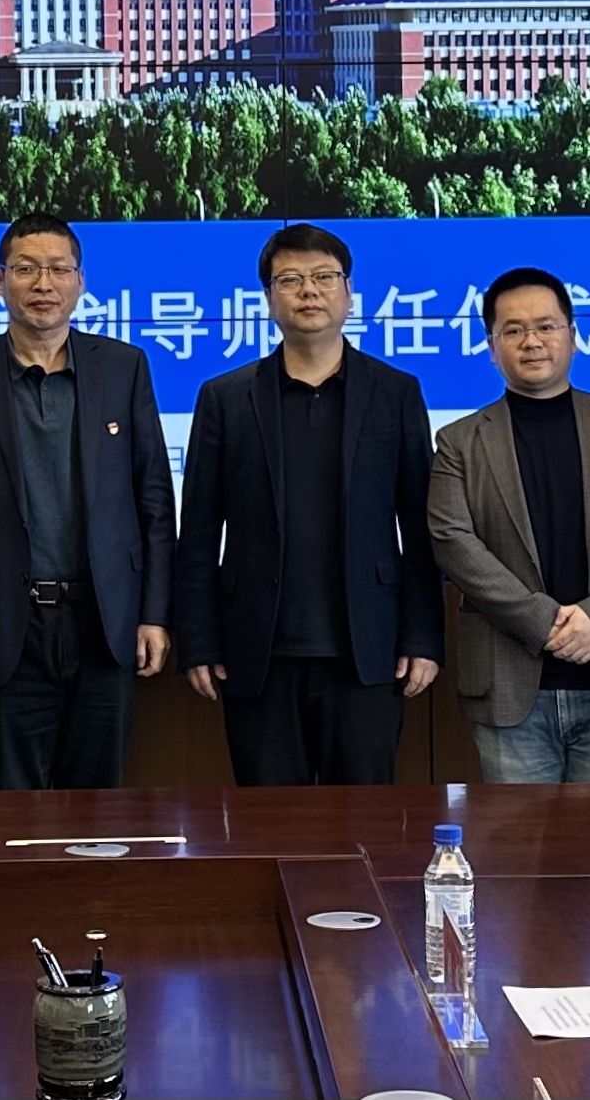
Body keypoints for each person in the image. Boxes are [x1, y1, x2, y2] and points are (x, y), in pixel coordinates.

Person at [0, 214, 178, 790]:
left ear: (80, 282)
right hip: (2, 629)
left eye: (59, 269)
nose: (43, 284)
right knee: (7, 814)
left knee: (99, 812)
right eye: (26, 269)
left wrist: (154, 614)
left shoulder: (124, 368)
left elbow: (155, 501)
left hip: (104, 624)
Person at [174, 223, 441, 786]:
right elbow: (197, 532)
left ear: (349, 292)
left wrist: (422, 637)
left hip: (368, 654)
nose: (309, 291)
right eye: (290, 279)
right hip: (257, 655)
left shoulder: (396, 392)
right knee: (269, 824)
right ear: (269, 298)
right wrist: (197, 640)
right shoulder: (225, 398)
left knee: (364, 823)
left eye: (324, 277)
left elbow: (421, 529)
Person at [429, 266, 590, 784]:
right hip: (510, 686)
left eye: (546, 326)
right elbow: (452, 541)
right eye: (512, 330)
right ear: (492, 347)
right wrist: (546, 623)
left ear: (572, 336)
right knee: (521, 839)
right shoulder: (459, 442)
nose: (531, 341)